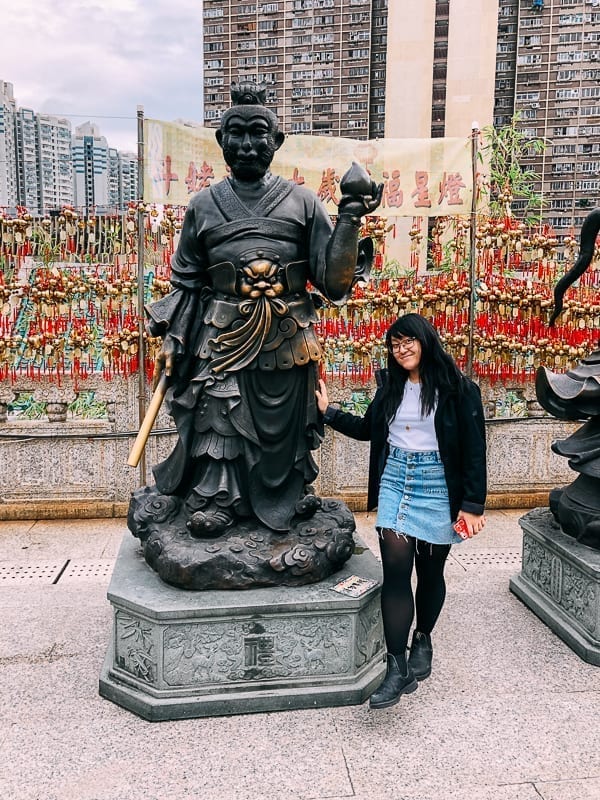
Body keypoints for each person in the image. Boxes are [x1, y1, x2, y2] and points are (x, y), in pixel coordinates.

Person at [145, 82, 382, 536]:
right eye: (236, 133)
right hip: (221, 334)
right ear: (221, 140)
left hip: (287, 335)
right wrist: (174, 339)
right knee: (220, 416)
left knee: (286, 426)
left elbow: (333, 282)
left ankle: (288, 494)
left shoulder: (303, 202)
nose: (248, 144)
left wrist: (351, 216)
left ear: (277, 140)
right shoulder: (202, 205)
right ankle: (218, 498)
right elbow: (186, 283)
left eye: (259, 133)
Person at [315, 313, 487, 709]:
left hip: (438, 484)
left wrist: (473, 505)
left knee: (430, 570)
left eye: (408, 341)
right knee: (395, 569)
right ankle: (397, 666)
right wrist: (328, 412)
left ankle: (422, 638)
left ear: (426, 341)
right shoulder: (390, 387)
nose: (401, 349)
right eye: (395, 345)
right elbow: (368, 429)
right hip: (396, 478)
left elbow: (475, 449)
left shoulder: (459, 390)